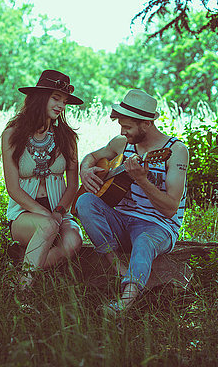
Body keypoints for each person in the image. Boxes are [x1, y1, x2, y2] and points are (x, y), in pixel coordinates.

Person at [75, 89, 189, 312]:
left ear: (146, 123)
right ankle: (117, 266)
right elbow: (92, 156)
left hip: (158, 226)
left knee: (144, 241)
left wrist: (142, 180)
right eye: (121, 125)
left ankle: (124, 303)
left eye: (127, 127)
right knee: (85, 202)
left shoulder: (175, 151)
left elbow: (170, 209)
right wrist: (86, 170)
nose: (122, 131)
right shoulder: (122, 142)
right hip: (123, 220)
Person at [1, 69, 84, 288]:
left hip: (59, 210)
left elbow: (73, 184)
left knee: (74, 240)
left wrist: (58, 213)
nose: (61, 106)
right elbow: (13, 188)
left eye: (64, 101)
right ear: (40, 97)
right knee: (47, 227)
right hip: (24, 213)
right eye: (56, 98)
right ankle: (23, 292)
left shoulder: (67, 138)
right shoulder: (12, 134)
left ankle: (22, 268)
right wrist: (47, 216)